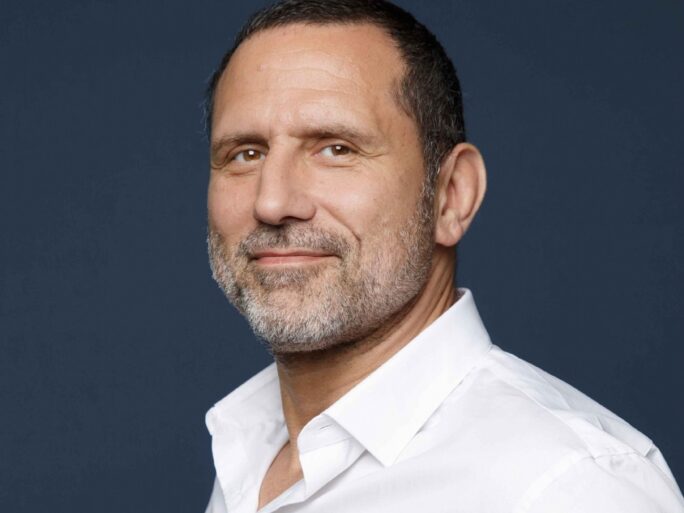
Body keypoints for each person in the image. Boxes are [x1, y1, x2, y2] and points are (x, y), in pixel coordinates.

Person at [202, 1, 684, 512]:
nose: (272, 202)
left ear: (451, 196)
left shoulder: (571, 488)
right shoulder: (250, 450)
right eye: (245, 154)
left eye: (337, 149)